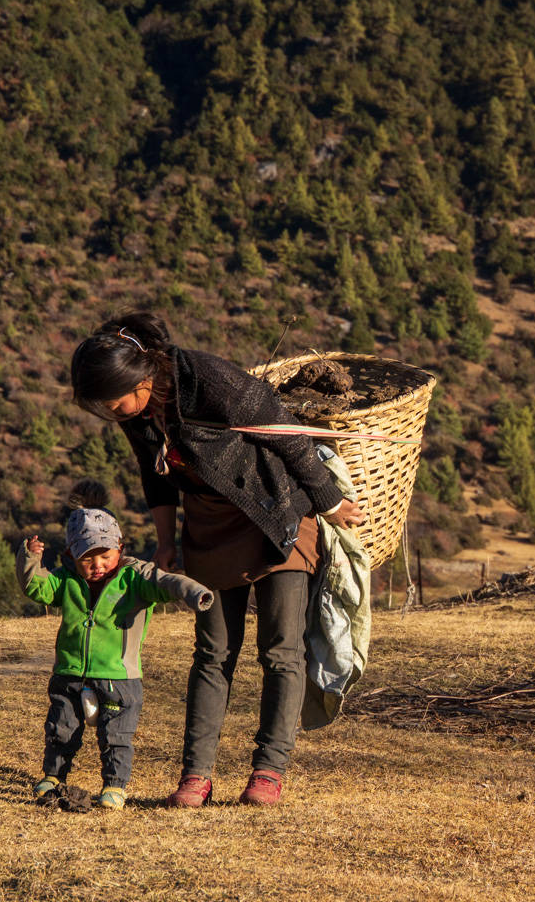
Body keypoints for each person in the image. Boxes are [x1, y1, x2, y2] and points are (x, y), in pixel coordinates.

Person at [69, 311, 365, 807]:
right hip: (209, 527)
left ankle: (268, 771)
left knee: (280, 650)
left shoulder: (208, 378)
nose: (112, 413)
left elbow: (287, 434)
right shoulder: (137, 413)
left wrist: (329, 502)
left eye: (114, 402)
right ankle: (195, 777)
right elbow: (155, 474)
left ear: (143, 379)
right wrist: (166, 542)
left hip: (277, 516)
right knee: (212, 654)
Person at [16, 480, 214, 810]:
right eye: (87, 560)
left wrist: (194, 593)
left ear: (119, 548)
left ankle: (114, 786)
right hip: (69, 674)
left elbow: (166, 582)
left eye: (105, 556)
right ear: (71, 556)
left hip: (119, 679)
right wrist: (28, 560)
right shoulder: (66, 581)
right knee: (60, 728)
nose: (97, 566)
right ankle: (54, 775)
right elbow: (37, 588)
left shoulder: (135, 578)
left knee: (116, 737)